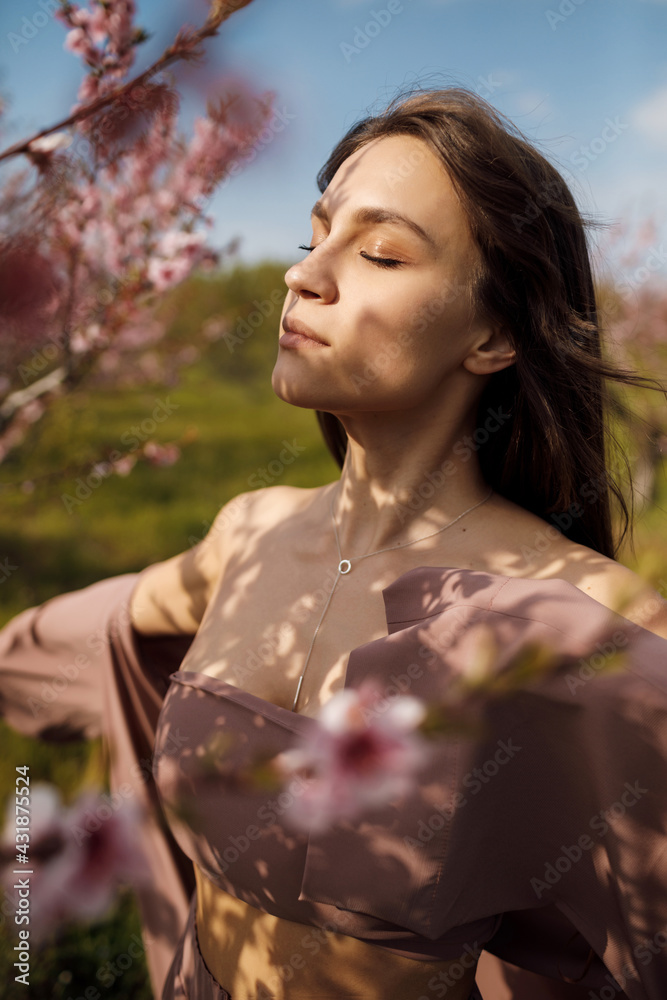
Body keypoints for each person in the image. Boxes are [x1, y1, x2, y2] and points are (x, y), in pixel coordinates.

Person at [2, 86, 667, 1000]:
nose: (302, 275)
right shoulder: (247, 537)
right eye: (314, 236)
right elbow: (91, 629)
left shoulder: (580, 623)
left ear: (495, 334)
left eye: (382, 253)